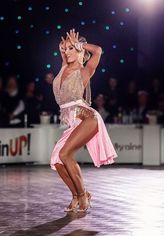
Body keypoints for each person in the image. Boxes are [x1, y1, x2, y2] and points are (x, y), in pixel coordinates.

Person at [50, 29, 117, 212]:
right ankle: (78, 195)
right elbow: (64, 54)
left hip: (87, 118)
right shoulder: (64, 66)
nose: (67, 51)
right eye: (66, 48)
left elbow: (98, 50)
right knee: (57, 160)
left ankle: (82, 196)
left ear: (80, 51)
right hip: (73, 123)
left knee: (65, 155)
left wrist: (80, 45)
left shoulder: (85, 70)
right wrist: (64, 48)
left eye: (72, 48)